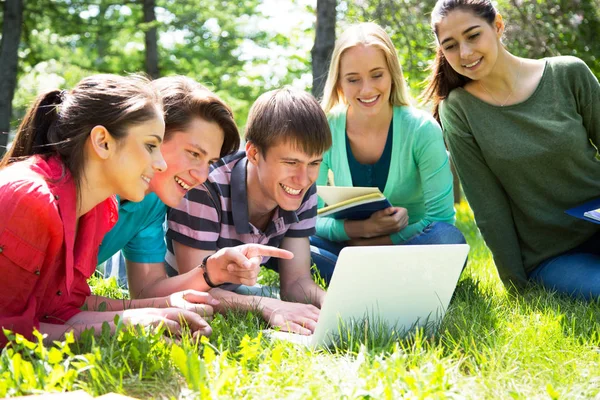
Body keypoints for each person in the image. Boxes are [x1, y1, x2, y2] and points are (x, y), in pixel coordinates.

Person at [0, 75, 213, 347]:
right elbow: (7, 333)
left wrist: (148, 316)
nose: (160, 164)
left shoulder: (99, 210)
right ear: (102, 141)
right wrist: (117, 326)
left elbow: (58, 310)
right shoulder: (29, 199)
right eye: (150, 145)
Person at [423, 0, 600, 299]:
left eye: (473, 35)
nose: (464, 53)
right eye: (450, 45)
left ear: (498, 26)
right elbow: (488, 207)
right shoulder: (459, 110)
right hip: (553, 255)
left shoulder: (569, 73)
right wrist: (517, 287)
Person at [97, 76, 289, 302]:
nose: (202, 176)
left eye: (209, 162)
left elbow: (145, 290)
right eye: (194, 154)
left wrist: (210, 272)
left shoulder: (152, 203)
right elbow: (56, 303)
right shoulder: (82, 190)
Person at [166, 87, 332, 335]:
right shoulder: (205, 186)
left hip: (231, 288)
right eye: (290, 162)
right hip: (153, 272)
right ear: (254, 153)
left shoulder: (302, 188)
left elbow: (296, 281)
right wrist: (268, 307)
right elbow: (197, 290)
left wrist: (331, 303)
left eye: (314, 163)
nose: (302, 178)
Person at [312, 22, 466, 281]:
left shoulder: (422, 129)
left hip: (407, 246)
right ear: (339, 82)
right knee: (292, 241)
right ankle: (388, 279)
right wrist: (360, 228)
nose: (367, 89)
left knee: (448, 239)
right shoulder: (325, 128)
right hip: (349, 247)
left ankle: (355, 277)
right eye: (353, 79)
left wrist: (380, 240)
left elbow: (441, 219)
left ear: (392, 73)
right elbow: (307, 219)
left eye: (376, 75)